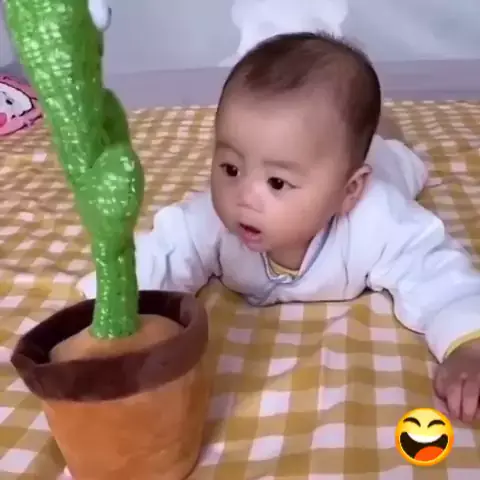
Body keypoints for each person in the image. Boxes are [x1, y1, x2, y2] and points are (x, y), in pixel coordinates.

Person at [78, 32, 480, 423]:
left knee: (393, 153)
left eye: (276, 182)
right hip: (335, 165)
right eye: (230, 168)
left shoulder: (376, 218)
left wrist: (468, 345)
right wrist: (112, 311)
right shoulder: (211, 220)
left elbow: (435, 271)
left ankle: (385, 135)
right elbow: (163, 253)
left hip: (385, 168)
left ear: (348, 191)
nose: (244, 197)